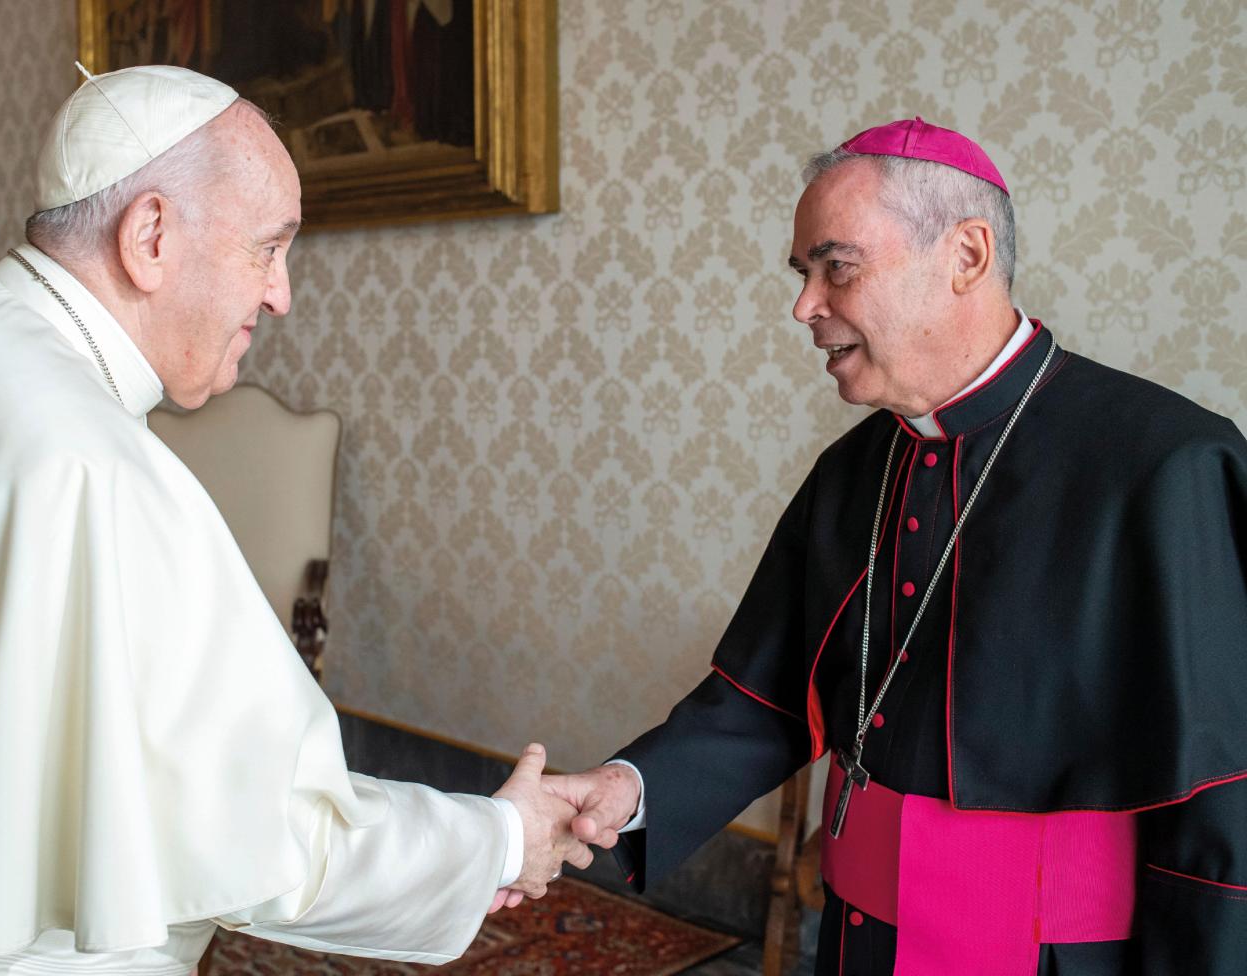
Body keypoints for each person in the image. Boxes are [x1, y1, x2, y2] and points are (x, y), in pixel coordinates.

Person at [0, 64, 586, 975]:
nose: (281, 295)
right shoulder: (93, 466)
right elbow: (268, 836)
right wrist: (502, 839)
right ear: (149, 235)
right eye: (267, 249)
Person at [531, 118, 1247, 974]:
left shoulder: (1166, 466)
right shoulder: (853, 468)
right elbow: (764, 698)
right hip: (858, 941)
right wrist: (626, 789)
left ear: (967, 256)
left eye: (837, 267)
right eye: (802, 274)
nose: (804, 306)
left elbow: (1224, 804)